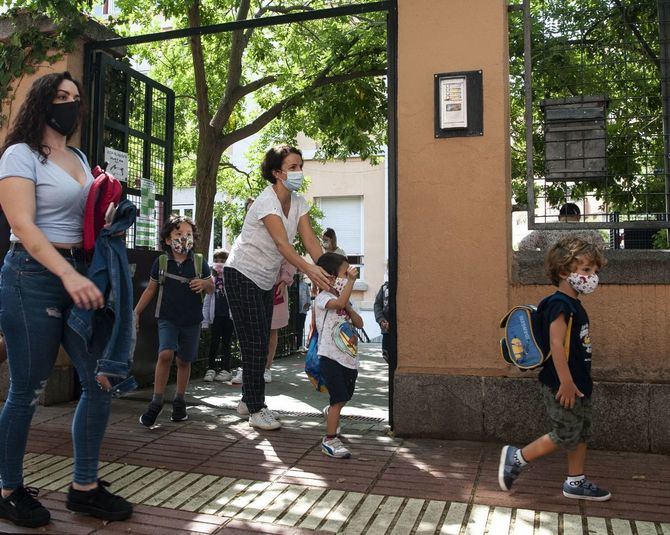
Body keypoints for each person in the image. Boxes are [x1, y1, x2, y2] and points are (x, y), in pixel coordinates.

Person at [0, 71, 132, 528]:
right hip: (31, 276)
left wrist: (110, 212)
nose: (70, 104)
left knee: (99, 380)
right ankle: (9, 488)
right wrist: (66, 275)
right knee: (28, 389)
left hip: (80, 273)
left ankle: (84, 487)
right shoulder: (19, 155)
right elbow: (25, 228)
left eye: (76, 97)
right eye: (61, 96)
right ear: (42, 102)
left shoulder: (78, 155)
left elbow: (86, 217)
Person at [224, 144, 331, 431]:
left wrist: (332, 274)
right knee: (255, 341)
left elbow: (312, 244)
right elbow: (284, 245)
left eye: (300, 167)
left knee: (260, 340)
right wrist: (311, 271)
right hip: (241, 273)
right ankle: (256, 409)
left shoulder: (298, 202)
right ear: (276, 172)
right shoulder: (266, 201)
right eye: (293, 167)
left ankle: (249, 399)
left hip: (264, 278)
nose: (299, 172)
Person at [499, 235, 610, 501]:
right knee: (565, 432)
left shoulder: (573, 304)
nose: (592, 276)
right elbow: (556, 344)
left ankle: (575, 481)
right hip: (562, 383)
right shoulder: (559, 304)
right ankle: (517, 458)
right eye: (585, 270)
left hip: (578, 381)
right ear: (563, 271)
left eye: (594, 271)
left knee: (580, 431)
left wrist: (577, 381)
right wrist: (566, 382)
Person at [134, 215, 214, 427]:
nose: (184, 238)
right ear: (168, 240)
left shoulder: (199, 262)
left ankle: (179, 400)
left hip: (192, 319)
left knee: (184, 361)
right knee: (165, 353)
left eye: (188, 234)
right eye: (178, 234)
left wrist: (204, 284)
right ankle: (156, 401)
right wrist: (136, 312)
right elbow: (151, 289)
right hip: (168, 317)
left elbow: (212, 286)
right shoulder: (160, 262)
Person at [314, 252, 363, 458]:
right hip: (330, 356)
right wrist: (350, 284)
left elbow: (359, 323)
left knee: (345, 396)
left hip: (348, 359)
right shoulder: (323, 298)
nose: (348, 277)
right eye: (345, 274)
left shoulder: (347, 300)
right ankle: (330, 439)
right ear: (331, 277)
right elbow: (338, 304)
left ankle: (331, 413)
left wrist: (351, 309)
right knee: (338, 398)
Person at [202, 249, 234, 382]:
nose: (219, 263)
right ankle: (211, 368)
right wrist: (205, 320)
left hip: (228, 317)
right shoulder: (212, 280)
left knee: (227, 343)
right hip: (216, 317)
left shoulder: (231, 279)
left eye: (223, 261)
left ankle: (226, 369)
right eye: (217, 261)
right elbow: (207, 301)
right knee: (214, 342)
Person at [518, 203, 606, 251]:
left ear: (559, 216)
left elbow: (524, 244)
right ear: (579, 216)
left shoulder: (546, 228)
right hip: (580, 270)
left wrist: (542, 258)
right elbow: (601, 248)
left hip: (554, 271)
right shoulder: (590, 230)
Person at [374, 279, 390, 363]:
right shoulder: (384, 288)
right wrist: (381, 320)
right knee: (387, 354)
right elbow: (377, 305)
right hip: (386, 331)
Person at [296, 272, 311, 352]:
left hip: (303, 309)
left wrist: (308, 303)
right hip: (295, 308)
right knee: (296, 327)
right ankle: (296, 344)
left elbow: (308, 295)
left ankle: (300, 345)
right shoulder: (294, 284)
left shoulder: (305, 285)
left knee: (301, 327)